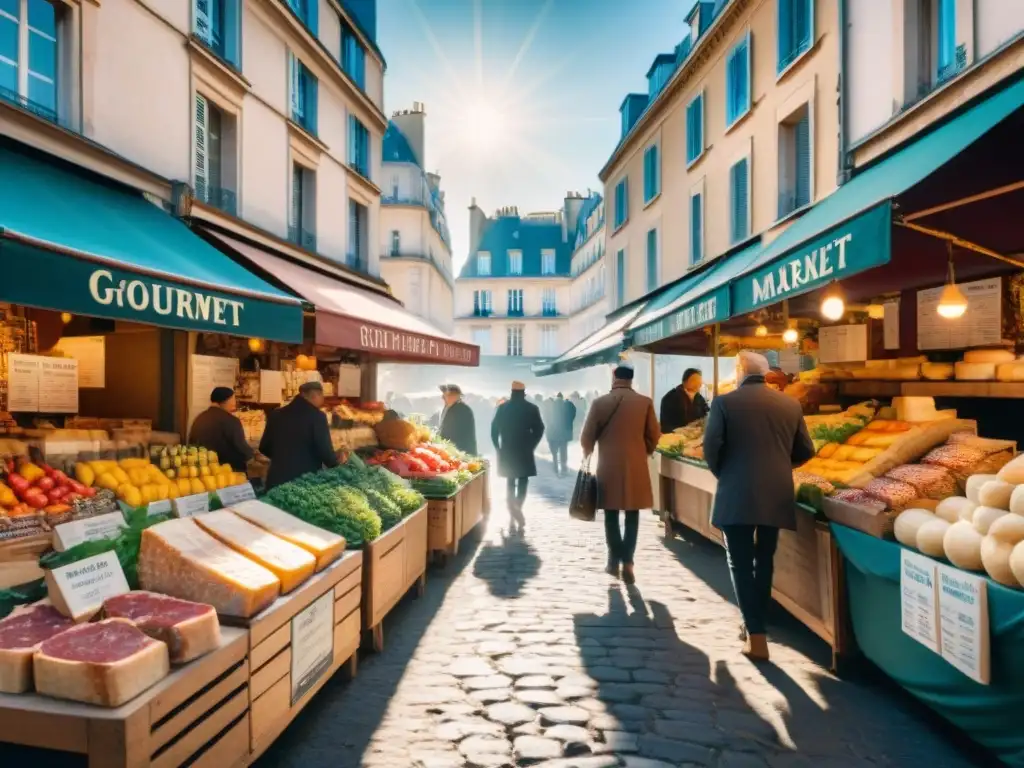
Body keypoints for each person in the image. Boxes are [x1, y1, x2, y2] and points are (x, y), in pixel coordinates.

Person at [703, 350, 815, 661]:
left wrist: (726, 473)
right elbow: (806, 450)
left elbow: (711, 449)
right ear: (765, 373)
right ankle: (758, 627)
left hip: (736, 492)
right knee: (765, 560)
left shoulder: (724, 403)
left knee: (740, 562)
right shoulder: (790, 404)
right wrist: (781, 466)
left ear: (740, 370)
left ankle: (755, 634)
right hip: (776, 493)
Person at [581, 364, 660, 584]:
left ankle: (613, 560)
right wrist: (643, 450)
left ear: (614, 377)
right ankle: (628, 560)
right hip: (636, 465)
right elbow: (654, 434)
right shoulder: (645, 402)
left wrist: (589, 451)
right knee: (633, 514)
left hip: (608, 465)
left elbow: (586, 437)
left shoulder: (600, 402)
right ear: (631, 379)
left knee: (611, 513)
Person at [260, 381, 339, 490]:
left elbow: (263, 447)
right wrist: (337, 463)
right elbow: (325, 451)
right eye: (323, 396)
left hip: (276, 481)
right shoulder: (317, 417)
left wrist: (283, 458)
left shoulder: (276, 414)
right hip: (304, 483)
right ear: (316, 395)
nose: (323, 400)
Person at [491, 381, 545, 531]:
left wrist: (497, 446)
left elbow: (494, 429)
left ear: (511, 392)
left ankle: (513, 510)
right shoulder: (532, 408)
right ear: (524, 393)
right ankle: (518, 508)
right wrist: (532, 444)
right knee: (523, 481)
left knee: (510, 480)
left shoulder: (502, 408)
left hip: (507, 449)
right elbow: (539, 428)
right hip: (524, 449)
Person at [188, 387, 254, 472]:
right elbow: (241, 447)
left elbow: (191, 443)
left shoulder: (199, 418)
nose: (235, 403)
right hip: (228, 471)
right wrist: (253, 455)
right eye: (233, 399)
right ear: (226, 400)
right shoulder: (231, 420)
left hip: (203, 470)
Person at [660, 368, 709, 434]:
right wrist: (681, 431)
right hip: (676, 437)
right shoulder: (670, 397)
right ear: (684, 381)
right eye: (694, 380)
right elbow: (665, 424)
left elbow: (706, 414)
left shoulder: (700, 398)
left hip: (696, 436)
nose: (698, 383)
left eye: (699, 381)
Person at [438, 384, 477, 455]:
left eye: (445, 395)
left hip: (461, 455)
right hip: (455, 454)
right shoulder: (451, 408)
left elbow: (451, 434)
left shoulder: (462, 410)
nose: (442, 397)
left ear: (453, 396)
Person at [546, 393, 576, 477]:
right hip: (563, 433)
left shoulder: (551, 405)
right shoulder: (567, 405)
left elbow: (546, 418)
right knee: (563, 451)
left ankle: (555, 468)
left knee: (554, 453)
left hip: (553, 433)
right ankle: (564, 469)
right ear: (562, 398)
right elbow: (573, 414)